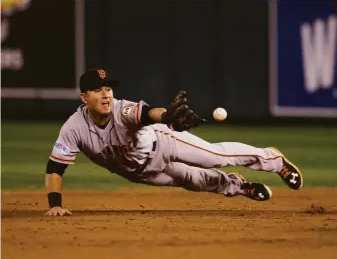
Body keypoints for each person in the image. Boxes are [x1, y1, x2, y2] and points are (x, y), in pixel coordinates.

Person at [45, 68, 303, 216]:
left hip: (163, 141)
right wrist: (55, 206)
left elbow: (148, 114)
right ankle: (237, 186)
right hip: (141, 172)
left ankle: (273, 159)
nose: (106, 94)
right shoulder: (73, 128)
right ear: (83, 96)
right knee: (195, 181)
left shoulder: (121, 110)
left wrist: (167, 116)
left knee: (215, 156)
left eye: (108, 89)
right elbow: (55, 168)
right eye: (98, 89)